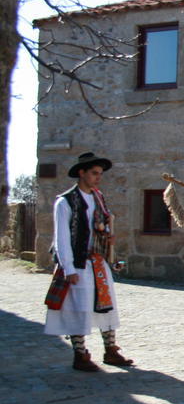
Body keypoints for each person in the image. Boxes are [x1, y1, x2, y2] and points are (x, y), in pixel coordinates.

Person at [44, 152, 132, 371]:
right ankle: (80, 354)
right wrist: (68, 268)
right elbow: (62, 238)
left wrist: (109, 235)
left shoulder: (98, 198)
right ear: (81, 173)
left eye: (100, 174)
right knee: (78, 307)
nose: (98, 177)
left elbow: (103, 224)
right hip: (78, 262)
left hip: (98, 261)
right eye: (94, 173)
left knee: (107, 303)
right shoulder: (65, 202)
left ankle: (110, 350)